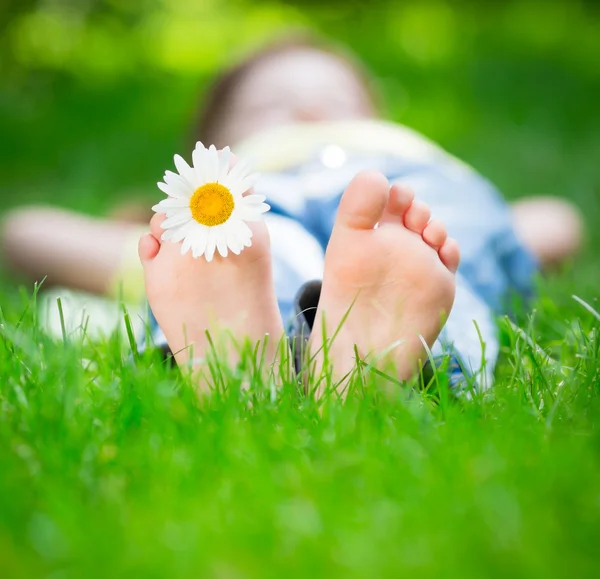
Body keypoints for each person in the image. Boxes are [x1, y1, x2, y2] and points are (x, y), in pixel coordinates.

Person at [0, 35, 583, 391]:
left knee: (438, 249)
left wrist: (501, 236)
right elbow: (22, 233)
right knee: (241, 242)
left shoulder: (419, 181)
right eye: (266, 105)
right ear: (209, 145)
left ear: (373, 117)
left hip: (402, 195)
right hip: (253, 197)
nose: (308, 111)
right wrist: (149, 245)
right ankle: (325, 362)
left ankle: (280, 364)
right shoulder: (199, 215)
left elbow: (552, 222)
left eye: (338, 102)